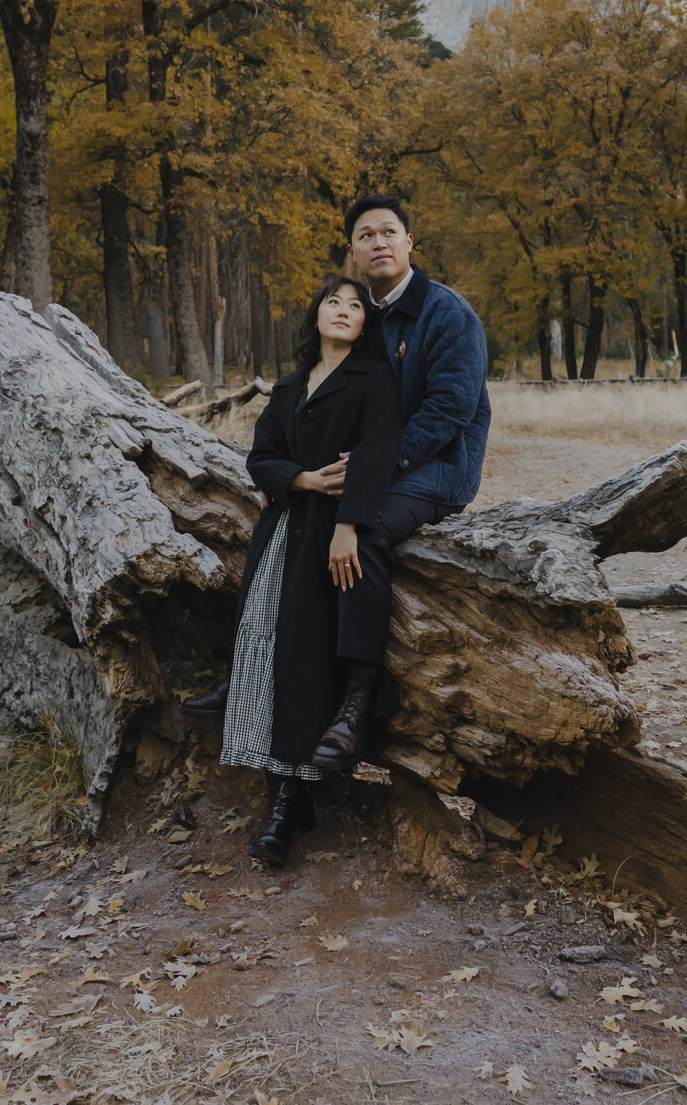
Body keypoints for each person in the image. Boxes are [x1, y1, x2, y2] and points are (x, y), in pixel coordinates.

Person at [183, 276, 400, 867]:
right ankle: (281, 796)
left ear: (364, 325)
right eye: (334, 300)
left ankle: (291, 804)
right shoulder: (287, 386)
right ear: (316, 315)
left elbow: (376, 458)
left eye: (357, 306)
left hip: (330, 537)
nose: (345, 309)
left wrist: (349, 525)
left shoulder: (374, 380)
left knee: (307, 666)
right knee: (265, 653)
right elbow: (261, 459)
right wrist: (301, 478)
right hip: (281, 534)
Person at [309, 193, 491, 771]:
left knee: (361, 532)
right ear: (353, 252)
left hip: (438, 466)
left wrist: (367, 471)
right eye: (367, 235)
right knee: (304, 518)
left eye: (390, 231)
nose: (379, 242)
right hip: (373, 462)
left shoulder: (446, 313)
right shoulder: (357, 315)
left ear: (410, 243)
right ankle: (275, 676)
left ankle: (359, 703)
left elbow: (448, 412)